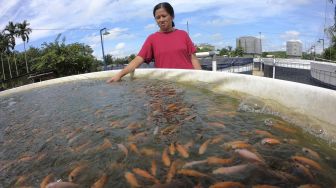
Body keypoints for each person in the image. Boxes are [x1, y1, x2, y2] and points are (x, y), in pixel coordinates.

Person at [107, 2, 201, 83]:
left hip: (189, 81)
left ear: (172, 16)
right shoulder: (152, 39)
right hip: (165, 82)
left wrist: (200, 78)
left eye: (164, 16)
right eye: (157, 17)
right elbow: (138, 60)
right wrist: (119, 75)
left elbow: (194, 59)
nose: (161, 20)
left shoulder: (183, 34)